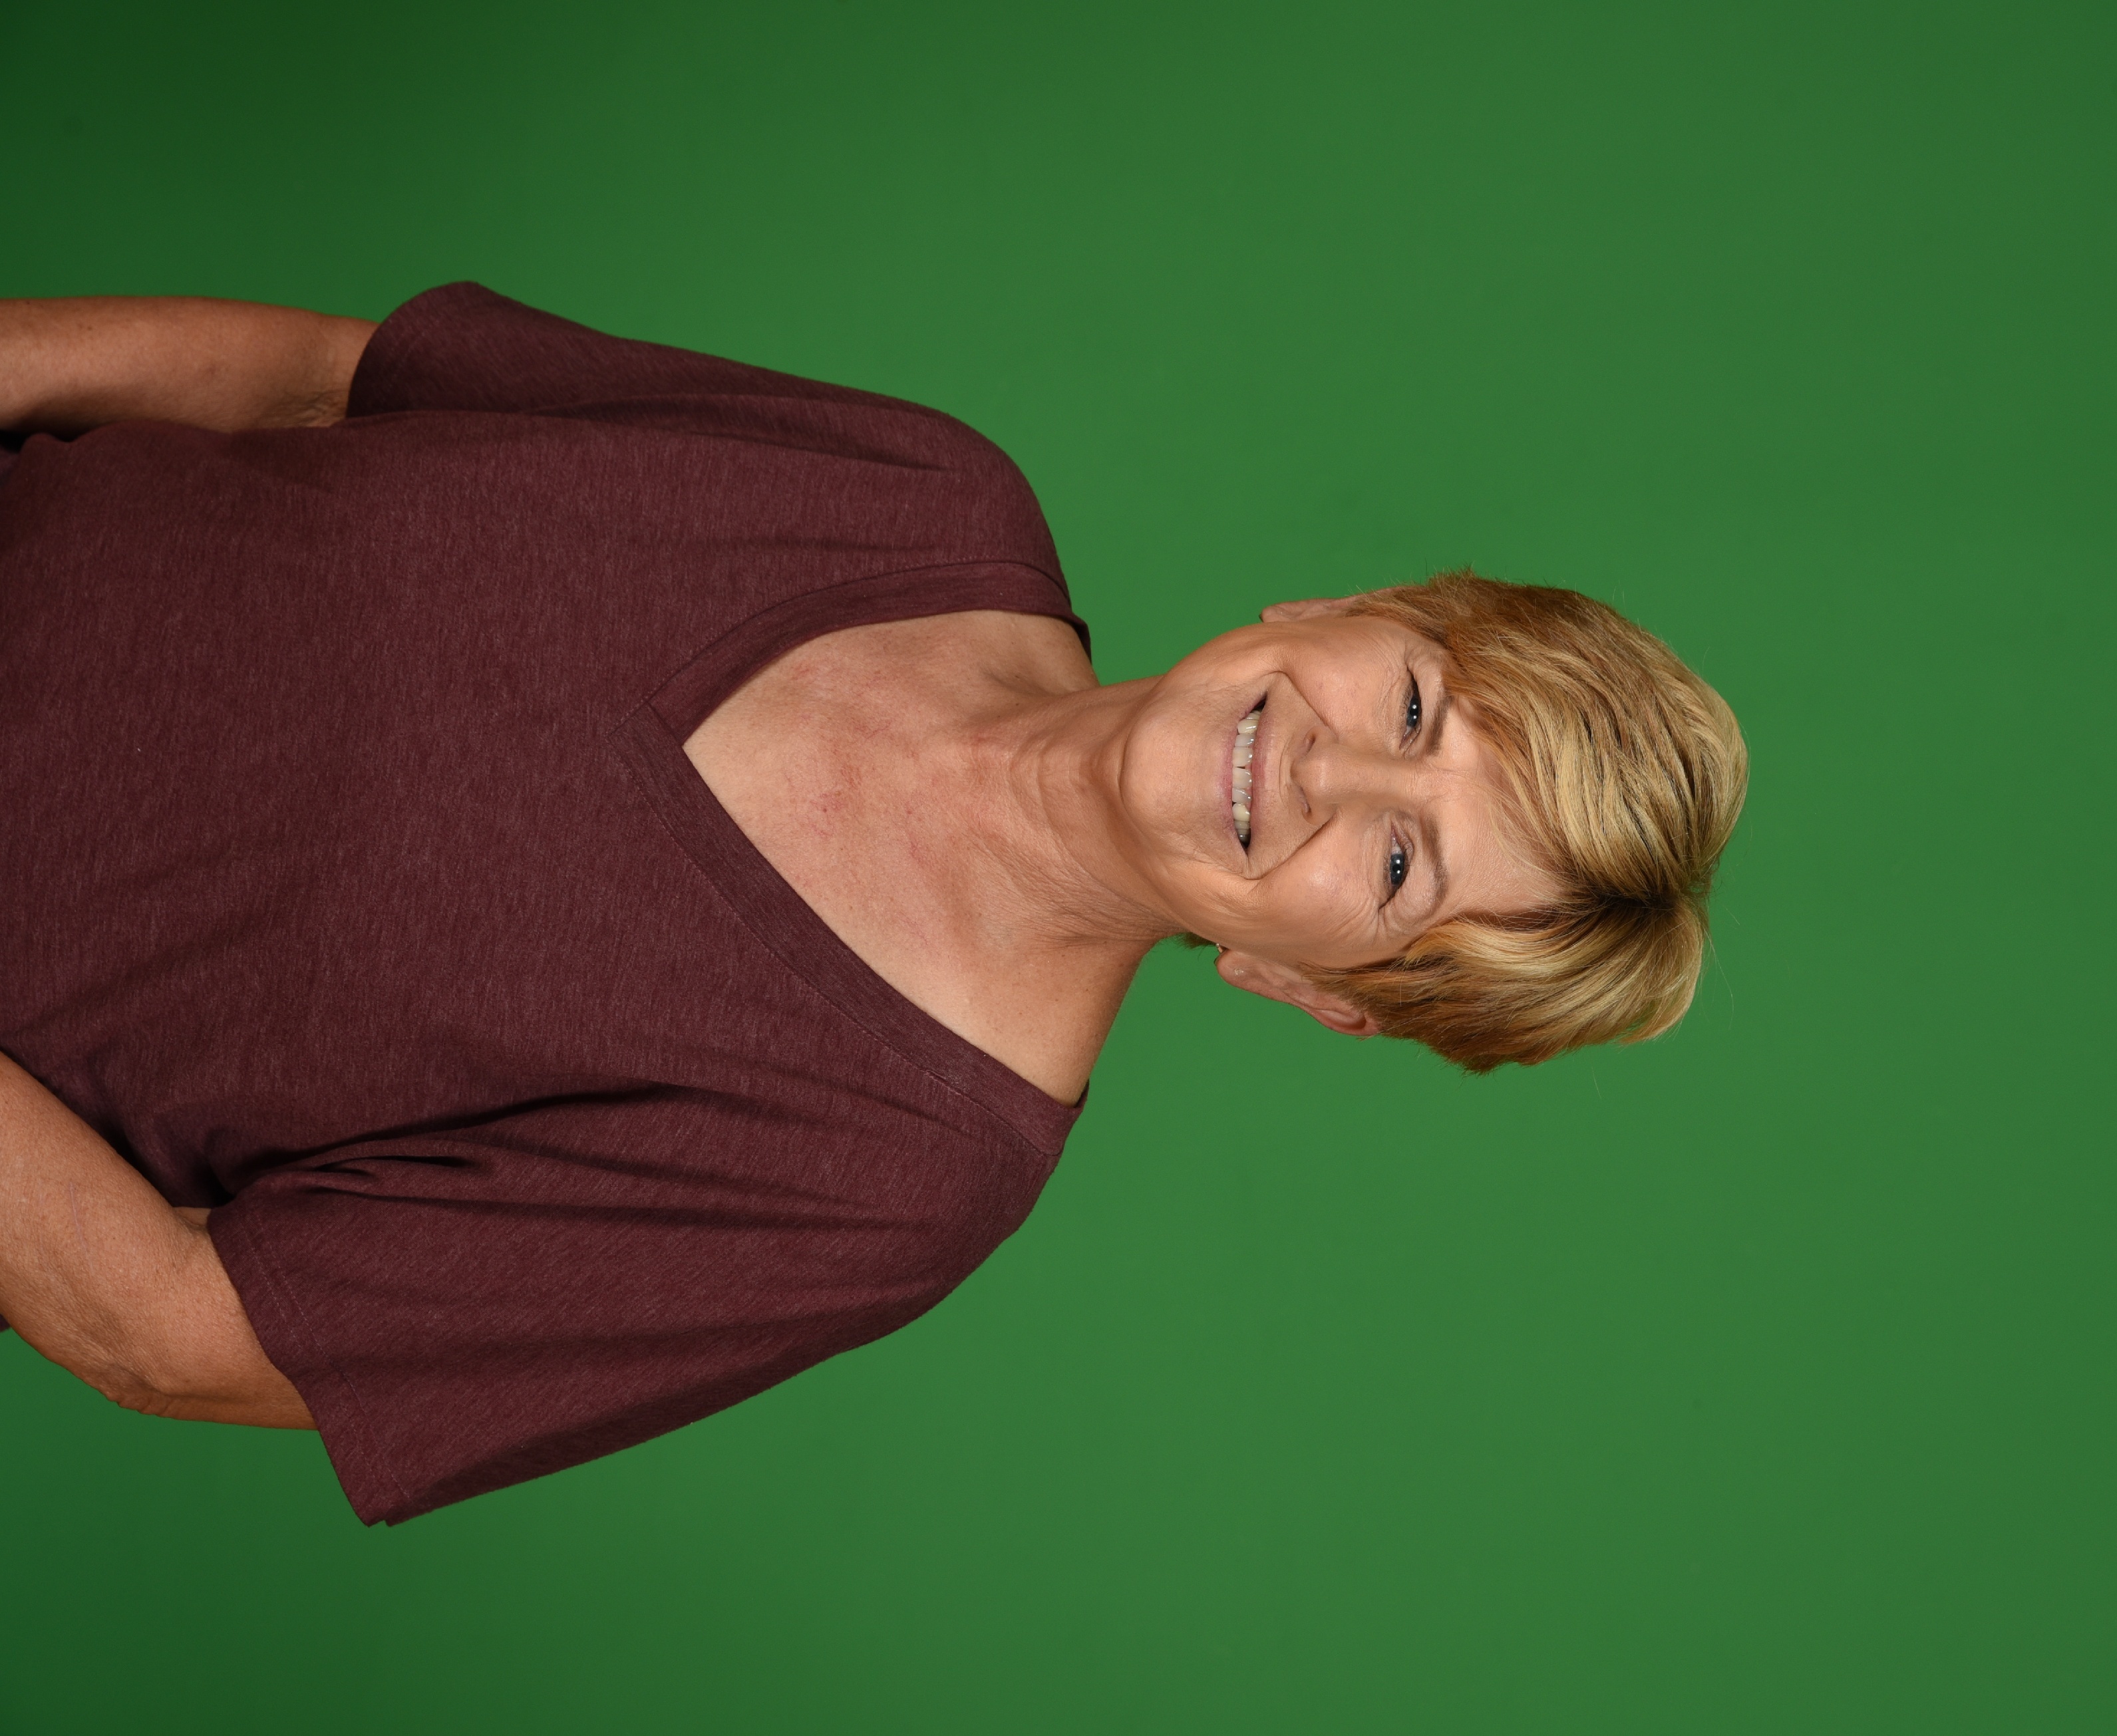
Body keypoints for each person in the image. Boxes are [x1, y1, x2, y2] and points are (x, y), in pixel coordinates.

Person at [0, 285, 1745, 1522]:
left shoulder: (886, 1182)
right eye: (1417, 709)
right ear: (1352, 605)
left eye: (1398, 865)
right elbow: (320, 384)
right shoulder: (921, 488)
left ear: (1317, 989)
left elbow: (175, 1327)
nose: (1329, 772)